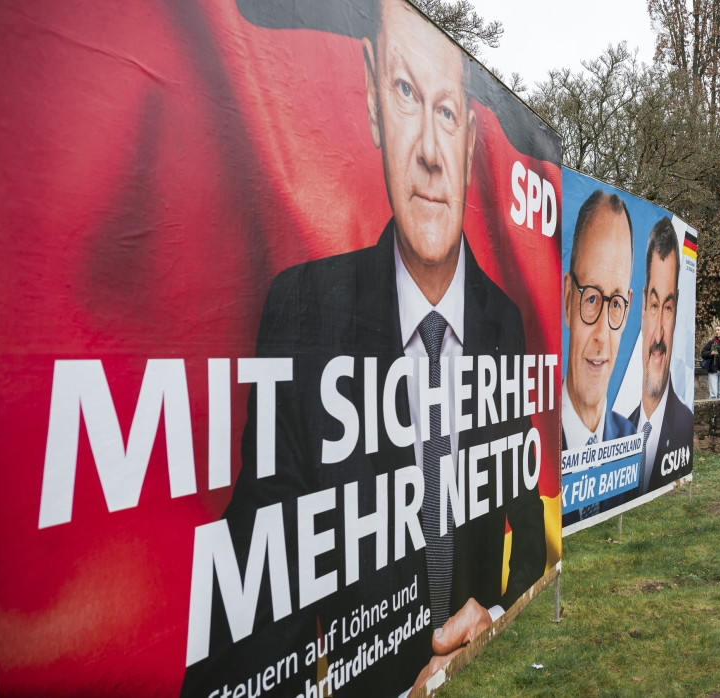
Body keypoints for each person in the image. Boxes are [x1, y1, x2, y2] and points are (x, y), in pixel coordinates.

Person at [185, 1, 546, 695]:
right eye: (407, 94)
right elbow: (256, 576)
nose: (431, 155)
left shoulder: (502, 322)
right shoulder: (303, 313)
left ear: (470, 138)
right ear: (375, 104)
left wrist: (496, 617)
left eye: (447, 112)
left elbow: (526, 519)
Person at [561, 191, 637, 524]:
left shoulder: (630, 438)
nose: (601, 336)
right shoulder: (534, 443)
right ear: (567, 300)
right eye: (591, 299)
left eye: (616, 303)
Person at [628, 217, 694, 496]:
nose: (657, 337)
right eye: (654, 305)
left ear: (677, 311)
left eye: (667, 308)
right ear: (642, 306)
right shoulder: (620, 428)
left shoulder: (684, 425)